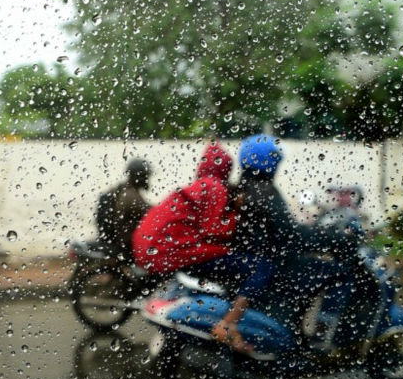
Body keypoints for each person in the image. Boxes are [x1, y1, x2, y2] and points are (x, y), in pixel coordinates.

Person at [133, 143, 272, 353]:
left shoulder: (199, 185)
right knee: (259, 266)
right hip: (170, 252)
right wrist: (236, 215)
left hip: (152, 250)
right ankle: (229, 323)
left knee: (227, 260)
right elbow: (215, 230)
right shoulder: (214, 186)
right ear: (225, 168)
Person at [231, 134, 364, 350]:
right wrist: (338, 239)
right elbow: (293, 235)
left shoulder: (245, 188)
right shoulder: (264, 192)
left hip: (261, 262)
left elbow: (286, 232)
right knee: (339, 274)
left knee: (314, 269)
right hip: (276, 266)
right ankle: (321, 337)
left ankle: (297, 331)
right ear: (271, 162)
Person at [95, 158, 152, 259]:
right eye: (146, 175)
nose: (148, 179)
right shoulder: (130, 196)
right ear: (140, 176)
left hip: (120, 239)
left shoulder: (123, 189)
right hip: (125, 243)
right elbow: (150, 212)